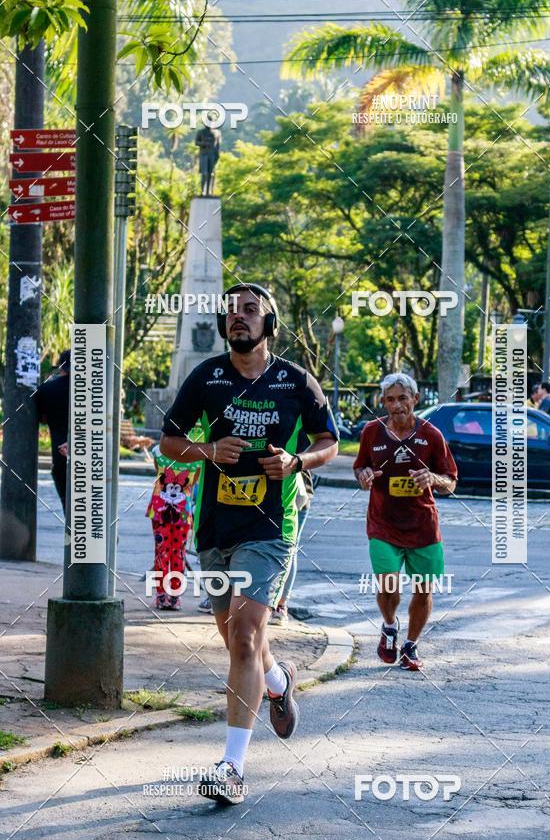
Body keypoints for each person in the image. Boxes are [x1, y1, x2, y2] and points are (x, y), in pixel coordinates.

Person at [160, 283, 338, 804]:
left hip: (269, 528)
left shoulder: (295, 381)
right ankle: (279, 679)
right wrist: (207, 448)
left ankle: (231, 767)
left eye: (249, 309)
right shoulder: (207, 377)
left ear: (269, 323)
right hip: (215, 529)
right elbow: (168, 441)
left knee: (243, 635)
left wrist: (296, 462)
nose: (238, 317)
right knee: (240, 639)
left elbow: (328, 440)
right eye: (231, 311)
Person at [353, 372, 458, 671]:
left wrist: (433, 478)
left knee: (423, 591)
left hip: (422, 526)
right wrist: (363, 476)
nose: (396, 405)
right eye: (390, 399)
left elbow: (451, 481)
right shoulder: (372, 432)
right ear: (383, 402)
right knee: (390, 587)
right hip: (382, 524)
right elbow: (360, 465)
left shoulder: (432, 435)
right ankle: (389, 626)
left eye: (402, 398)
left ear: (415, 399)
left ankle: (410, 646)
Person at [147, 443, 202, 610]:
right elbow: (194, 482)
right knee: (178, 553)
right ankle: (174, 597)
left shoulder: (158, 451)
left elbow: (158, 470)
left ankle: (162, 596)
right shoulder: (197, 457)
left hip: (159, 509)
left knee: (161, 552)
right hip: (182, 512)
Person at [270, 466, 315, 626]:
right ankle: (279, 606)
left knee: (289, 549)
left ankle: (280, 605)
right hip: (295, 493)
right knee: (289, 549)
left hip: (295, 494)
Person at [34, 349, 70, 511]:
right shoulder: (94, 390)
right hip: (93, 456)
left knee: (68, 504)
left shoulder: (47, 390)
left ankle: (72, 532)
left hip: (60, 454)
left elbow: (41, 418)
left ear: (61, 367)